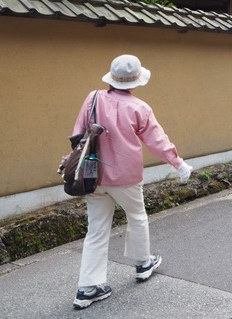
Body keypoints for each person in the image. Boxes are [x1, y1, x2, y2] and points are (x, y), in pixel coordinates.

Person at [72, 54, 192, 310]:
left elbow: (76, 135)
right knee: (136, 216)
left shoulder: (92, 98)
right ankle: (142, 263)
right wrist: (179, 164)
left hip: (92, 176)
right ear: (135, 81)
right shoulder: (140, 108)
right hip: (126, 177)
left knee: (96, 230)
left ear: (112, 78)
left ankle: (87, 289)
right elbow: (158, 142)